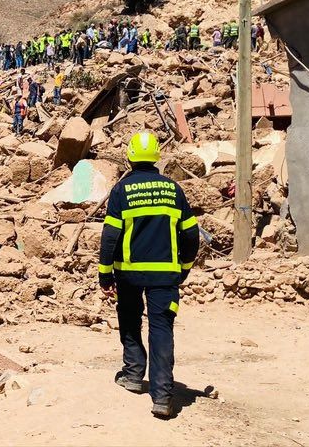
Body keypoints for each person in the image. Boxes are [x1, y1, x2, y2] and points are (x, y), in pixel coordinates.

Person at [98, 132, 199, 418]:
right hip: (165, 275)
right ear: (156, 157)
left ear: (130, 156)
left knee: (130, 321)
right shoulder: (172, 189)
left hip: (129, 274)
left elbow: (110, 236)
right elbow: (191, 234)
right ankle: (163, 396)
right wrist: (185, 266)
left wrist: (105, 275)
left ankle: (132, 374)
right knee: (161, 330)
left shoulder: (122, 190)